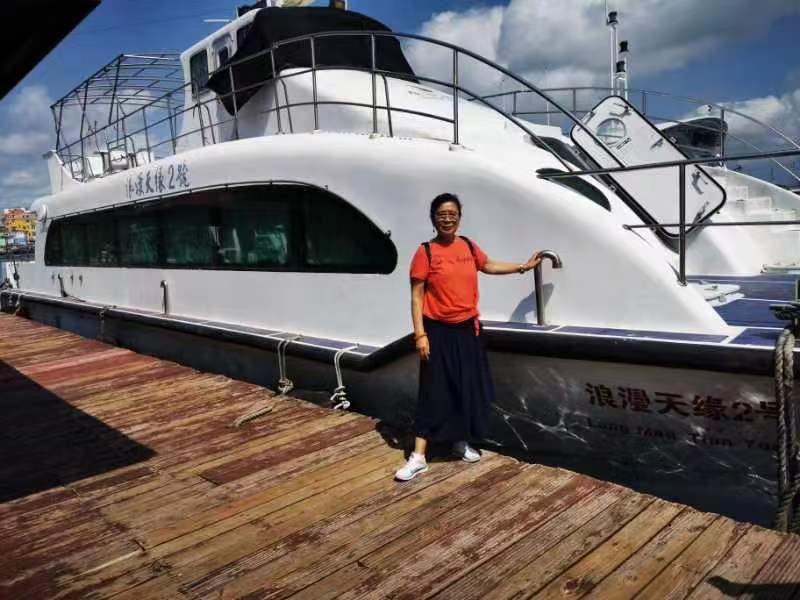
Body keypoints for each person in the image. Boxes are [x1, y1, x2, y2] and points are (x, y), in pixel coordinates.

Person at [394, 193, 542, 481]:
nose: (447, 219)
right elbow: (416, 297)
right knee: (433, 390)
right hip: (437, 331)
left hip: (467, 329)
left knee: (465, 387)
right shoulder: (425, 252)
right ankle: (419, 456)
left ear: (459, 218)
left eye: (452, 214)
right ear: (433, 218)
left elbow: (488, 265)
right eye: (441, 214)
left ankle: (459, 441)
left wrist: (522, 267)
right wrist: (420, 335)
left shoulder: (468, 245)